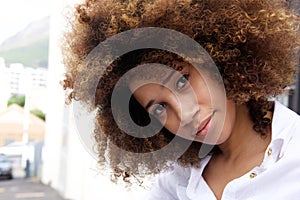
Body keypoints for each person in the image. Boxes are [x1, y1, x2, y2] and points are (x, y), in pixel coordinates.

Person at [62, 0, 300, 199]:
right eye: (159, 108)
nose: (185, 114)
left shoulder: (293, 158)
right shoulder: (176, 180)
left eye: (182, 81)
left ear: (220, 56)